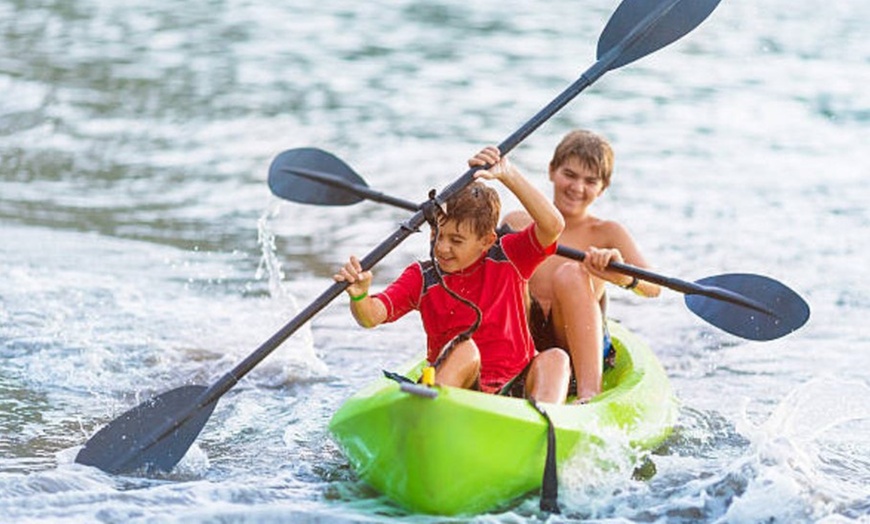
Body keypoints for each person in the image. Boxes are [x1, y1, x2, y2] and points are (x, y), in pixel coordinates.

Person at [334, 146, 571, 403]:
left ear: (486, 240)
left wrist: (508, 174)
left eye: (456, 240)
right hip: (458, 394)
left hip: (516, 386)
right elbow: (372, 316)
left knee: (556, 358)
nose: (442, 248)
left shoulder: (510, 255)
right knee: (465, 348)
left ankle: (548, 422)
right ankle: (431, 415)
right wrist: (360, 296)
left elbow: (553, 225)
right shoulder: (422, 277)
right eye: (438, 235)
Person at [502, 130, 661, 403]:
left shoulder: (608, 232)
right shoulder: (517, 222)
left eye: (590, 181)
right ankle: (494, 371)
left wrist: (621, 276)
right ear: (552, 171)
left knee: (571, 273)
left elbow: (654, 287)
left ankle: (589, 393)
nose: (577, 188)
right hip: (521, 343)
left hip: (575, 349)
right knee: (505, 269)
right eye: (570, 174)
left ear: (604, 188)